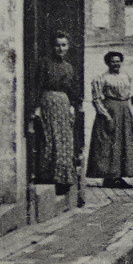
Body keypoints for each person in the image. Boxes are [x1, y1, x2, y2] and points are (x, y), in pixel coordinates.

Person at [35, 32, 82, 194]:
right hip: (48, 101)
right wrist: (36, 108)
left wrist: (72, 106)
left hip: (64, 103)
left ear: (68, 47)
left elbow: (72, 89)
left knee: (65, 139)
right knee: (51, 137)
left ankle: (63, 178)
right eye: (57, 45)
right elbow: (38, 86)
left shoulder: (69, 67)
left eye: (63, 45)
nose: (60, 49)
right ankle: (49, 176)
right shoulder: (44, 63)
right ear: (52, 47)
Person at [87, 50, 133, 189]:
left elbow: (130, 96)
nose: (115, 64)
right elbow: (96, 99)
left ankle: (119, 176)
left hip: (124, 112)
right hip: (110, 111)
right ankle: (109, 177)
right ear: (107, 63)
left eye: (118, 61)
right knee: (109, 144)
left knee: (123, 143)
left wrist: (131, 113)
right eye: (112, 61)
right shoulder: (102, 78)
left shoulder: (126, 76)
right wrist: (106, 116)